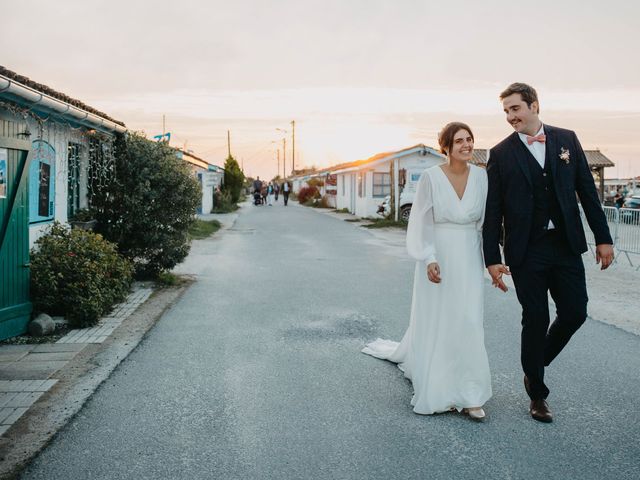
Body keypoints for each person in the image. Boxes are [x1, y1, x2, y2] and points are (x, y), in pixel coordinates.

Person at [483, 83, 614, 423]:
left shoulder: (566, 139)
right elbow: (493, 209)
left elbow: (586, 190)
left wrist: (604, 238)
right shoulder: (500, 154)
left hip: (565, 245)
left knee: (574, 313)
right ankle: (538, 394)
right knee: (536, 317)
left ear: (534, 105)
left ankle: (533, 365)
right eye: (507, 111)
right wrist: (492, 258)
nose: (511, 116)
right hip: (526, 250)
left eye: (516, 109)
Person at [362, 122, 491, 419]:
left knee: (469, 318)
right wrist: (428, 257)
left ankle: (471, 391)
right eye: (459, 141)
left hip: (470, 254)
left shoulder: (482, 177)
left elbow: (487, 221)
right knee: (440, 317)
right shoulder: (431, 178)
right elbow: (421, 222)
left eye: (470, 139)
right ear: (445, 146)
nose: (466, 145)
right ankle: (440, 385)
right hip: (439, 254)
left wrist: (492, 261)